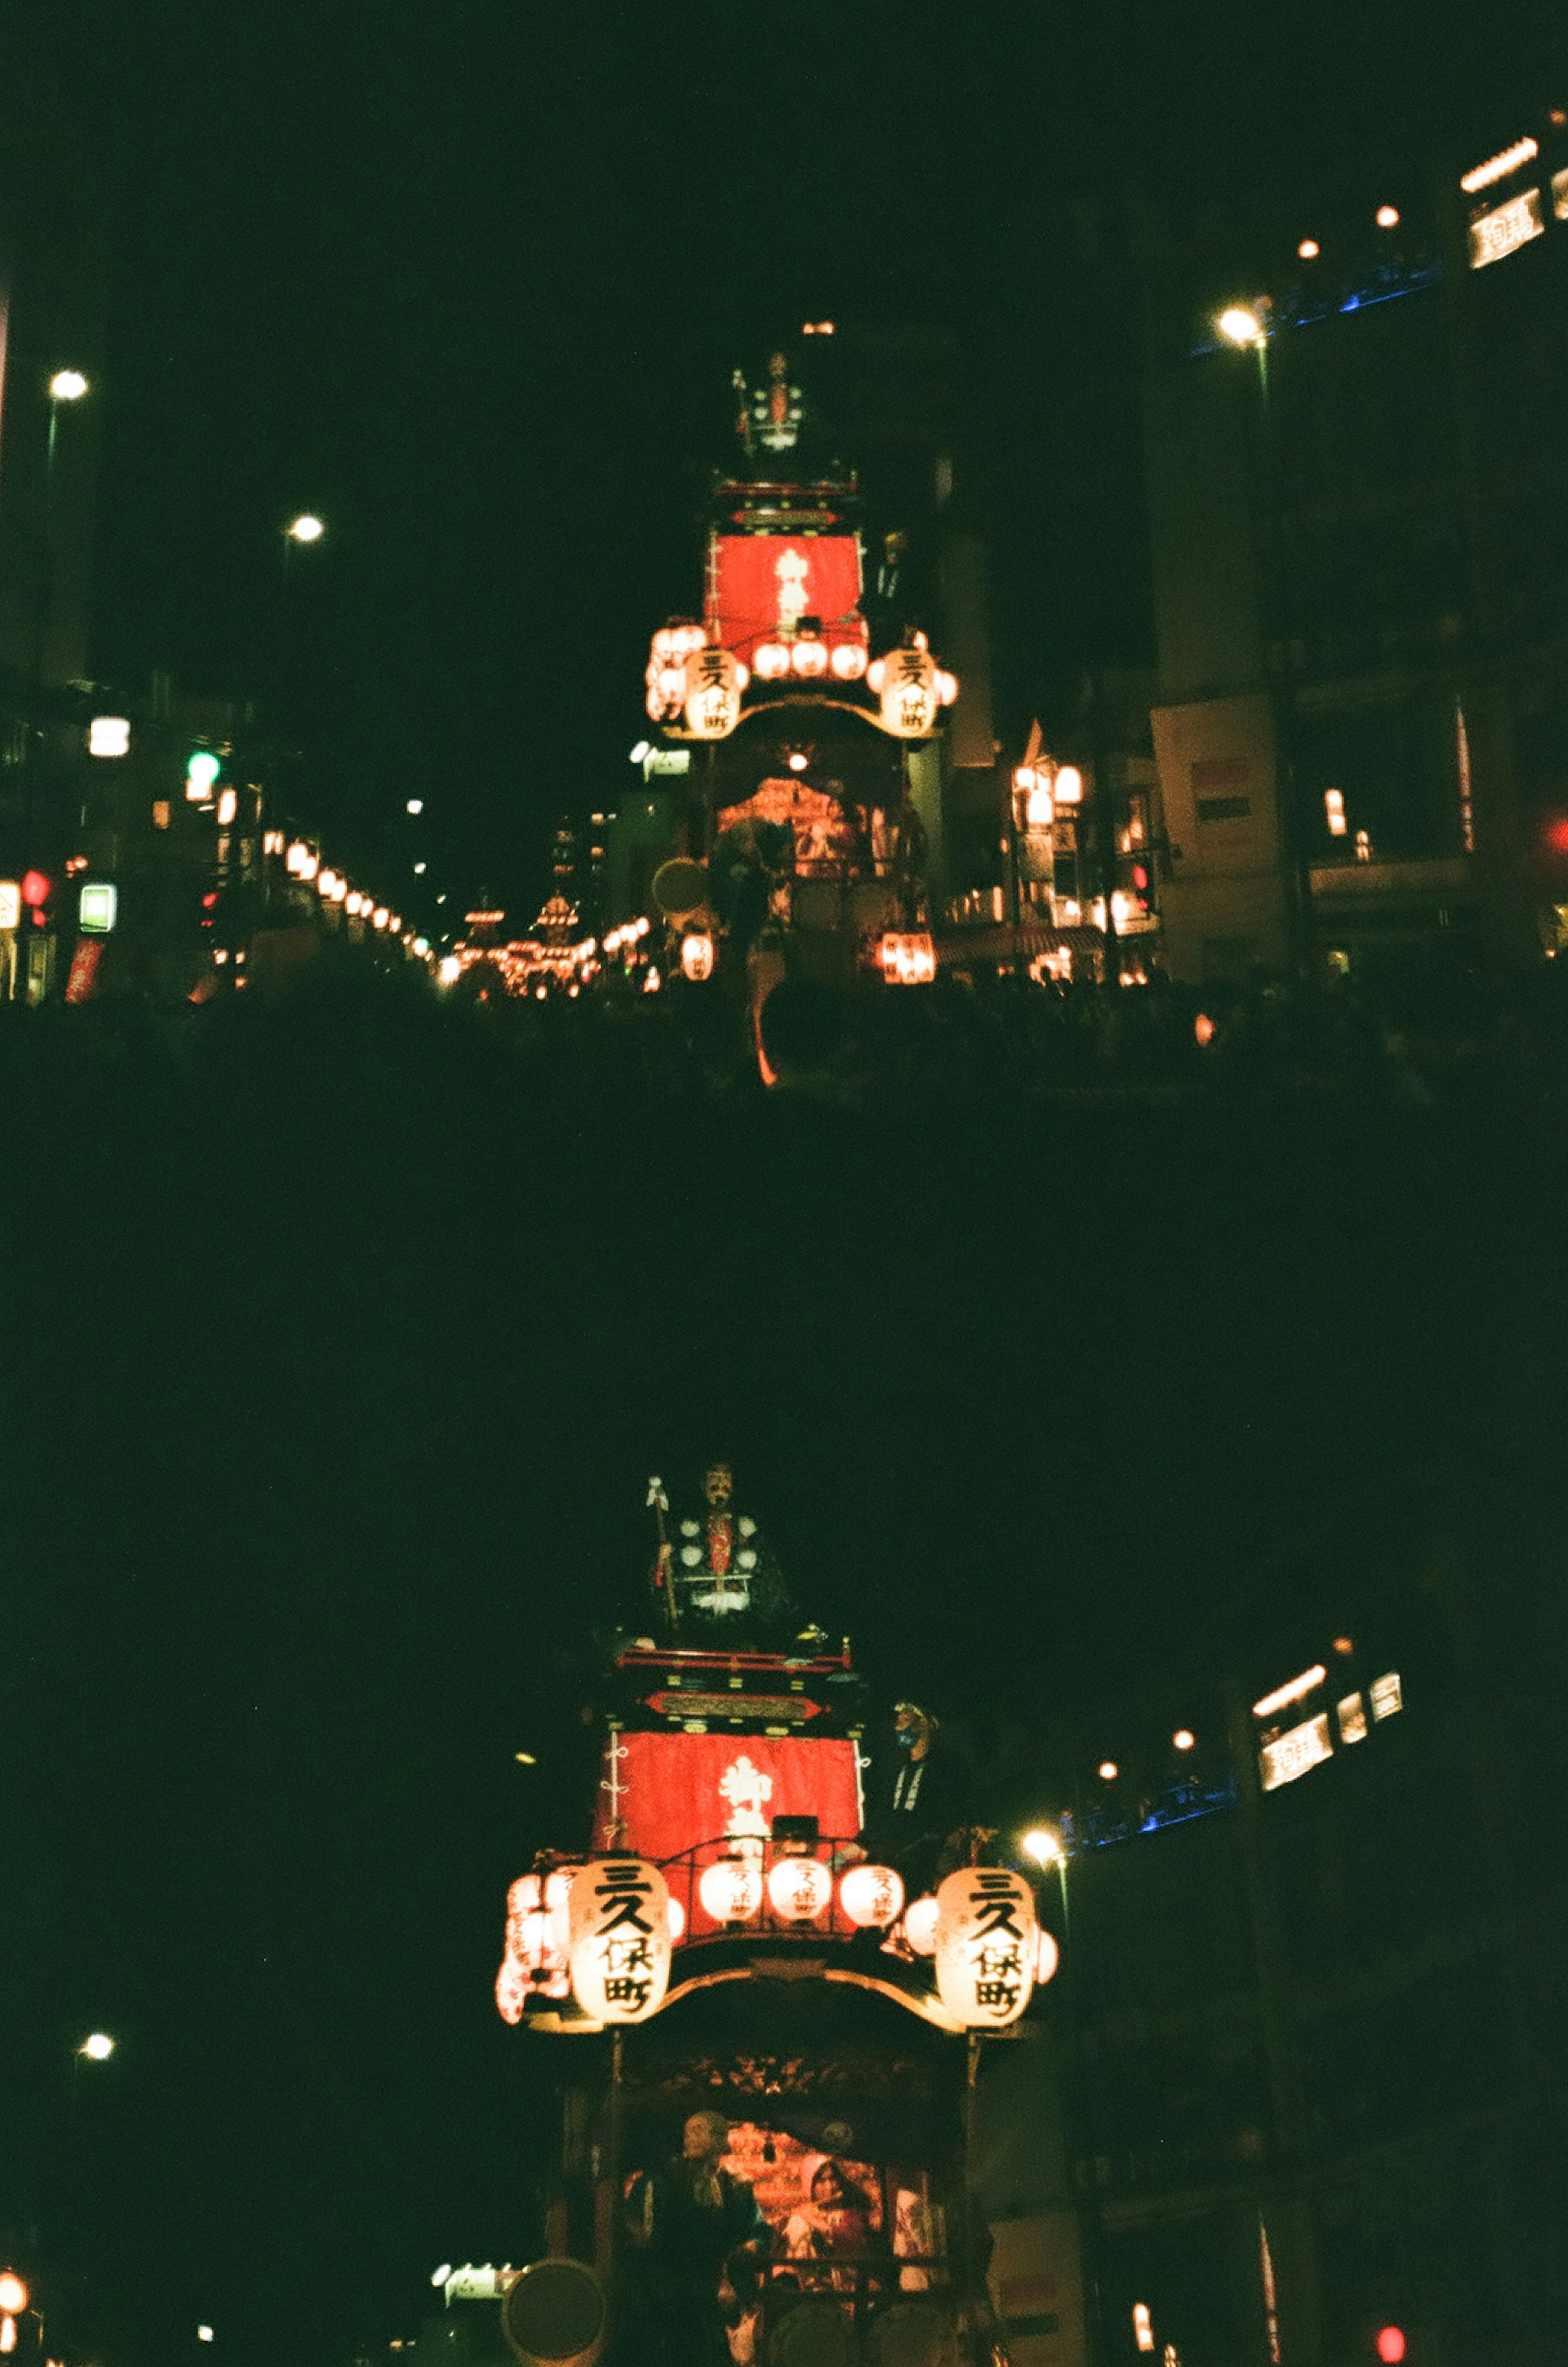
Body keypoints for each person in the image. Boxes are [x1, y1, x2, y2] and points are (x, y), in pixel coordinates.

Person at [626, 2110, 769, 2367]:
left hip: (712, 2284)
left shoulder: (735, 2188)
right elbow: (635, 2222)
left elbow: (756, 2229)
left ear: (720, 2140)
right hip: (667, 2285)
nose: (690, 2138)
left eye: (700, 2131)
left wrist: (747, 2251)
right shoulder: (661, 2181)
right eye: (688, 2131)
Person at [654, 1458, 800, 1648]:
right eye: (714, 1477)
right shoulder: (684, 1529)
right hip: (697, 1623)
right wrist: (661, 1563)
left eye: (726, 1478)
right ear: (702, 1484)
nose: (720, 1484)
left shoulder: (749, 1529)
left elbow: (771, 1578)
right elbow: (664, 1580)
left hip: (742, 1623)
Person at [857, 1702, 967, 1899]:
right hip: (893, 1854)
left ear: (923, 1724)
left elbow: (944, 1815)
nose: (898, 1727)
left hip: (927, 1857)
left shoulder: (945, 1768)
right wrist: (862, 1842)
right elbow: (885, 1811)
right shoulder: (899, 1770)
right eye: (898, 1721)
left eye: (905, 1719)